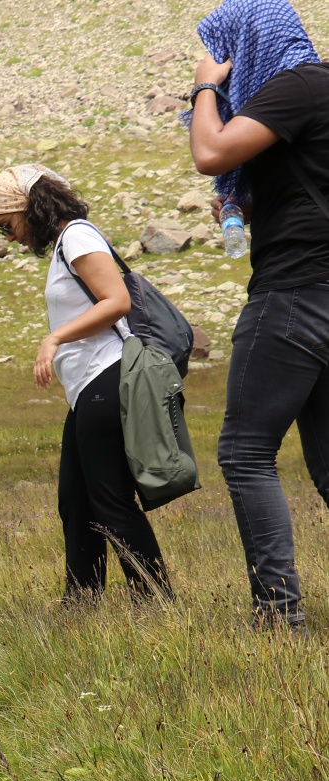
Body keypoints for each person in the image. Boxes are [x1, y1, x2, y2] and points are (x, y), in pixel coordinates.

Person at [185, 0, 329, 628]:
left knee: (245, 452)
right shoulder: (313, 94)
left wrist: (203, 87)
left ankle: (279, 614)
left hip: (296, 292)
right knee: (325, 462)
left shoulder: (299, 83)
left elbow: (211, 153)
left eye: (228, 50)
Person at [0, 165, 172, 600]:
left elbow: (117, 301)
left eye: (7, 226)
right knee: (75, 499)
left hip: (107, 377)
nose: (10, 238)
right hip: (89, 388)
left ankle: (157, 601)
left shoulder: (78, 237)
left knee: (109, 501)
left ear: (30, 209)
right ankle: (82, 601)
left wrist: (54, 338)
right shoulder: (65, 244)